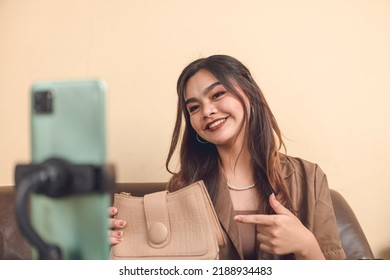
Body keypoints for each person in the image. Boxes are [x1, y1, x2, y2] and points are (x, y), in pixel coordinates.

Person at [109, 55, 346, 260]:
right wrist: (112, 245)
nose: (207, 111)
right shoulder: (184, 185)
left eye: (217, 94)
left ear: (249, 95)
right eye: (194, 108)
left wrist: (306, 245)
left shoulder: (309, 178)